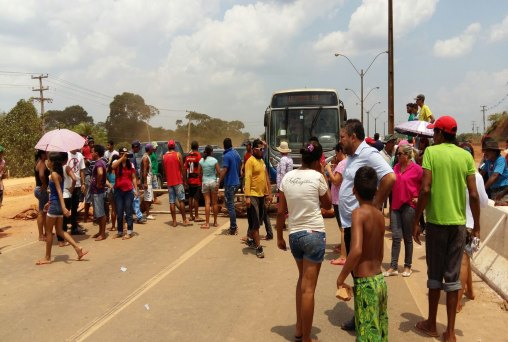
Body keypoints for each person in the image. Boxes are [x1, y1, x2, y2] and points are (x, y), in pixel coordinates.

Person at [412, 116, 480, 342]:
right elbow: (473, 194)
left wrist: (416, 221)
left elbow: (425, 188)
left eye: (434, 132)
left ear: (440, 133)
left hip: (436, 223)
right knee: (453, 279)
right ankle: (450, 333)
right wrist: (477, 226)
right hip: (458, 225)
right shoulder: (466, 156)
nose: (433, 136)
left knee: (434, 274)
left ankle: (431, 323)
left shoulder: (431, 153)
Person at [338, 119, 395, 331]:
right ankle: (361, 312)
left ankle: (363, 316)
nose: (340, 140)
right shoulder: (352, 156)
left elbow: (390, 177)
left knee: (361, 269)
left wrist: (376, 203)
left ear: (353, 137)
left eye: (342, 136)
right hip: (349, 221)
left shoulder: (369, 154)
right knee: (357, 274)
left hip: (360, 222)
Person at [276, 141, 331, 342]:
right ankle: (306, 337)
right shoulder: (317, 176)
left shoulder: (288, 178)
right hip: (314, 234)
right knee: (309, 288)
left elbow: (281, 211)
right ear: (318, 160)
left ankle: (299, 328)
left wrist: (279, 237)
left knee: (301, 281)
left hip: (295, 236)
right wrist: (323, 173)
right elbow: (327, 204)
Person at [336, 166, 388, 341]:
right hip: (379, 281)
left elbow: (356, 250)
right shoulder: (379, 215)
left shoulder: (358, 214)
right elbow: (380, 254)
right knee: (377, 331)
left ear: (353, 190)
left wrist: (341, 277)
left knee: (367, 334)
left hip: (365, 285)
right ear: (376, 191)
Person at [36, 152, 88, 265]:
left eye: (49, 160)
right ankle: (78, 249)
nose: (47, 162)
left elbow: (59, 192)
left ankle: (47, 257)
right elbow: (55, 192)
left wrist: (64, 207)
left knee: (49, 232)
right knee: (60, 230)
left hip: (56, 206)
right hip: (56, 205)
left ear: (53, 162)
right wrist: (50, 203)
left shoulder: (54, 174)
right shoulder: (58, 174)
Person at [456, 144, 489, 312]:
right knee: (463, 260)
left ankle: (470, 290)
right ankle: (456, 301)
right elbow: (482, 202)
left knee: (463, 259)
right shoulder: (476, 176)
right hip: (468, 223)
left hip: (452, 221)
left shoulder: (453, 172)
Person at [383, 144, 422, 277]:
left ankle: (407, 266)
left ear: (407, 155)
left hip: (408, 206)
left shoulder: (417, 169)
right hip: (395, 206)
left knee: (407, 237)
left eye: (399, 154)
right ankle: (393, 266)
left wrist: (418, 197)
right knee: (395, 237)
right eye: (397, 154)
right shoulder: (396, 168)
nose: (397, 156)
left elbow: (426, 184)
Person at [244, 138, 272, 258]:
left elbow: (264, 178)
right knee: (255, 223)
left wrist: (268, 193)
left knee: (258, 220)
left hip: (261, 195)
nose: (262, 151)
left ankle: (250, 238)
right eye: (260, 149)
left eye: (262, 149)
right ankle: (258, 247)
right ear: (254, 150)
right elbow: (248, 178)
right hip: (253, 195)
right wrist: (247, 196)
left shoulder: (261, 161)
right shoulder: (250, 161)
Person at [324, 143, 347, 266]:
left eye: (336, 153)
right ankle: (343, 247)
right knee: (342, 227)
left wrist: (328, 170)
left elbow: (336, 181)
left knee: (342, 228)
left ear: (339, 151)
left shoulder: (343, 163)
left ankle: (343, 255)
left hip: (339, 199)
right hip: (339, 198)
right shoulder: (343, 163)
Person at [163, 139, 190, 227]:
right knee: (181, 200)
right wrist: (185, 181)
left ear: (168, 146)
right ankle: (184, 220)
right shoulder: (178, 155)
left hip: (170, 182)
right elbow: (182, 169)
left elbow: (164, 169)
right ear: (174, 146)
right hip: (178, 181)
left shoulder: (164, 156)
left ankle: (174, 221)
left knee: (172, 202)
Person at [112, 147, 138, 239]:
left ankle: (129, 232)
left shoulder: (130, 164)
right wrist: (121, 159)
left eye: (126, 153)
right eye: (122, 153)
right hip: (118, 191)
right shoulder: (116, 163)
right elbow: (112, 167)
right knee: (119, 212)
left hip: (128, 191)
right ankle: (120, 231)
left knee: (128, 212)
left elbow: (134, 177)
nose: (124, 155)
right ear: (119, 154)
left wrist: (136, 189)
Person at [218, 137, 242, 235]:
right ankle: (233, 225)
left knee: (230, 206)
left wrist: (219, 181)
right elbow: (240, 163)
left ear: (224, 146)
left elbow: (224, 170)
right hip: (237, 182)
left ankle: (233, 228)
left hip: (230, 184)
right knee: (229, 204)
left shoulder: (226, 156)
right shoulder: (236, 153)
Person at [199, 145, 220, 228]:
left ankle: (207, 223)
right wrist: (218, 181)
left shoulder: (201, 160)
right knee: (214, 203)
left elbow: (199, 173)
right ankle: (215, 222)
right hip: (213, 182)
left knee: (207, 202)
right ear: (211, 152)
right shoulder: (214, 160)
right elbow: (219, 172)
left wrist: (204, 176)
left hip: (205, 182)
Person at [90, 144, 108, 241]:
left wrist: (97, 183)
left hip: (97, 191)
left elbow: (100, 173)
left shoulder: (99, 163)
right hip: (96, 191)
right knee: (99, 212)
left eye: (92, 152)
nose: (91, 153)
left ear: (96, 153)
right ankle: (100, 231)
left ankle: (102, 234)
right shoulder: (99, 162)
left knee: (101, 213)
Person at [67, 149, 86, 235]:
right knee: (66, 206)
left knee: (75, 207)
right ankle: (63, 227)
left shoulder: (80, 155)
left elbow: (82, 170)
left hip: (77, 185)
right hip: (68, 185)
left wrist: (83, 183)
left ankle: (74, 227)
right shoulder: (66, 154)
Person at [59, 153, 77, 247]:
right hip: (66, 195)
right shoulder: (66, 167)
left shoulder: (56, 168)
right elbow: (74, 178)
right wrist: (72, 188)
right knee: (65, 219)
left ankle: (60, 240)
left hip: (59, 195)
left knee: (59, 219)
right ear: (66, 159)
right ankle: (63, 240)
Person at [34, 150, 50, 241]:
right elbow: (42, 175)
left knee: (44, 212)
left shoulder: (38, 162)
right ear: (42, 155)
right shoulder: (42, 163)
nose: (47, 154)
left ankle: (45, 232)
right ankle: (41, 235)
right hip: (41, 189)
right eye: (46, 153)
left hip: (39, 189)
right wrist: (44, 184)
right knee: (41, 212)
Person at [185, 141, 202, 222]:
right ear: (197, 147)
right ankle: (197, 216)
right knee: (196, 199)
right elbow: (200, 168)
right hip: (197, 180)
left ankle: (191, 216)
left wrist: (185, 180)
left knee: (190, 198)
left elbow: (185, 169)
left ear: (191, 147)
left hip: (190, 180)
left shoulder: (188, 156)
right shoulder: (198, 155)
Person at [130, 140, 146, 224]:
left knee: (129, 200)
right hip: (131, 181)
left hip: (128, 181)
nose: (139, 149)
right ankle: (139, 217)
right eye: (139, 147)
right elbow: (133, 171)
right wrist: (137, 181)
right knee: (136, 198)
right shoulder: (132, 156)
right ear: (135, 147)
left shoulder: (130, 155)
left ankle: (128, 217)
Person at [140, 143, 155, 220]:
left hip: (148, 180)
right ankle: (147, 214)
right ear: (149, 149)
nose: (153, 150)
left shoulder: (147, 157)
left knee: (149, 197)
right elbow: (145, 170)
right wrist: (145, 182)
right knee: (147, 198)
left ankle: (147, 213)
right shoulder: (145, 158)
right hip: (147, 180)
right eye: (152, 148)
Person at [106, 155, 119, 232]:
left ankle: (113, 226)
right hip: (119, 189)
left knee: (113, 209)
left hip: (111, 189)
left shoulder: (108, 170)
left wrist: (109, 184)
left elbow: (105, 180)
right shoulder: (119, 168)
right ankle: (123, 225)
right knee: (120, 208)